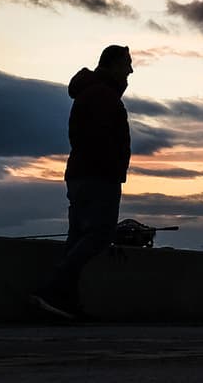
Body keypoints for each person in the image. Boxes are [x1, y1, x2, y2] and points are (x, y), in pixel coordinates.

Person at [32, 44, 133, 320]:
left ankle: (65, 303)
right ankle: (53, 290)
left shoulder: (94, 93)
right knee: (100, 234)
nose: (131, 70)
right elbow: (100, 140)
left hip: (82, 174)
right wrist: (112, 168)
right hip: (98, 176)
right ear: (112, 65)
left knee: (78, 236)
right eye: (127, 63)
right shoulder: (103, 96)